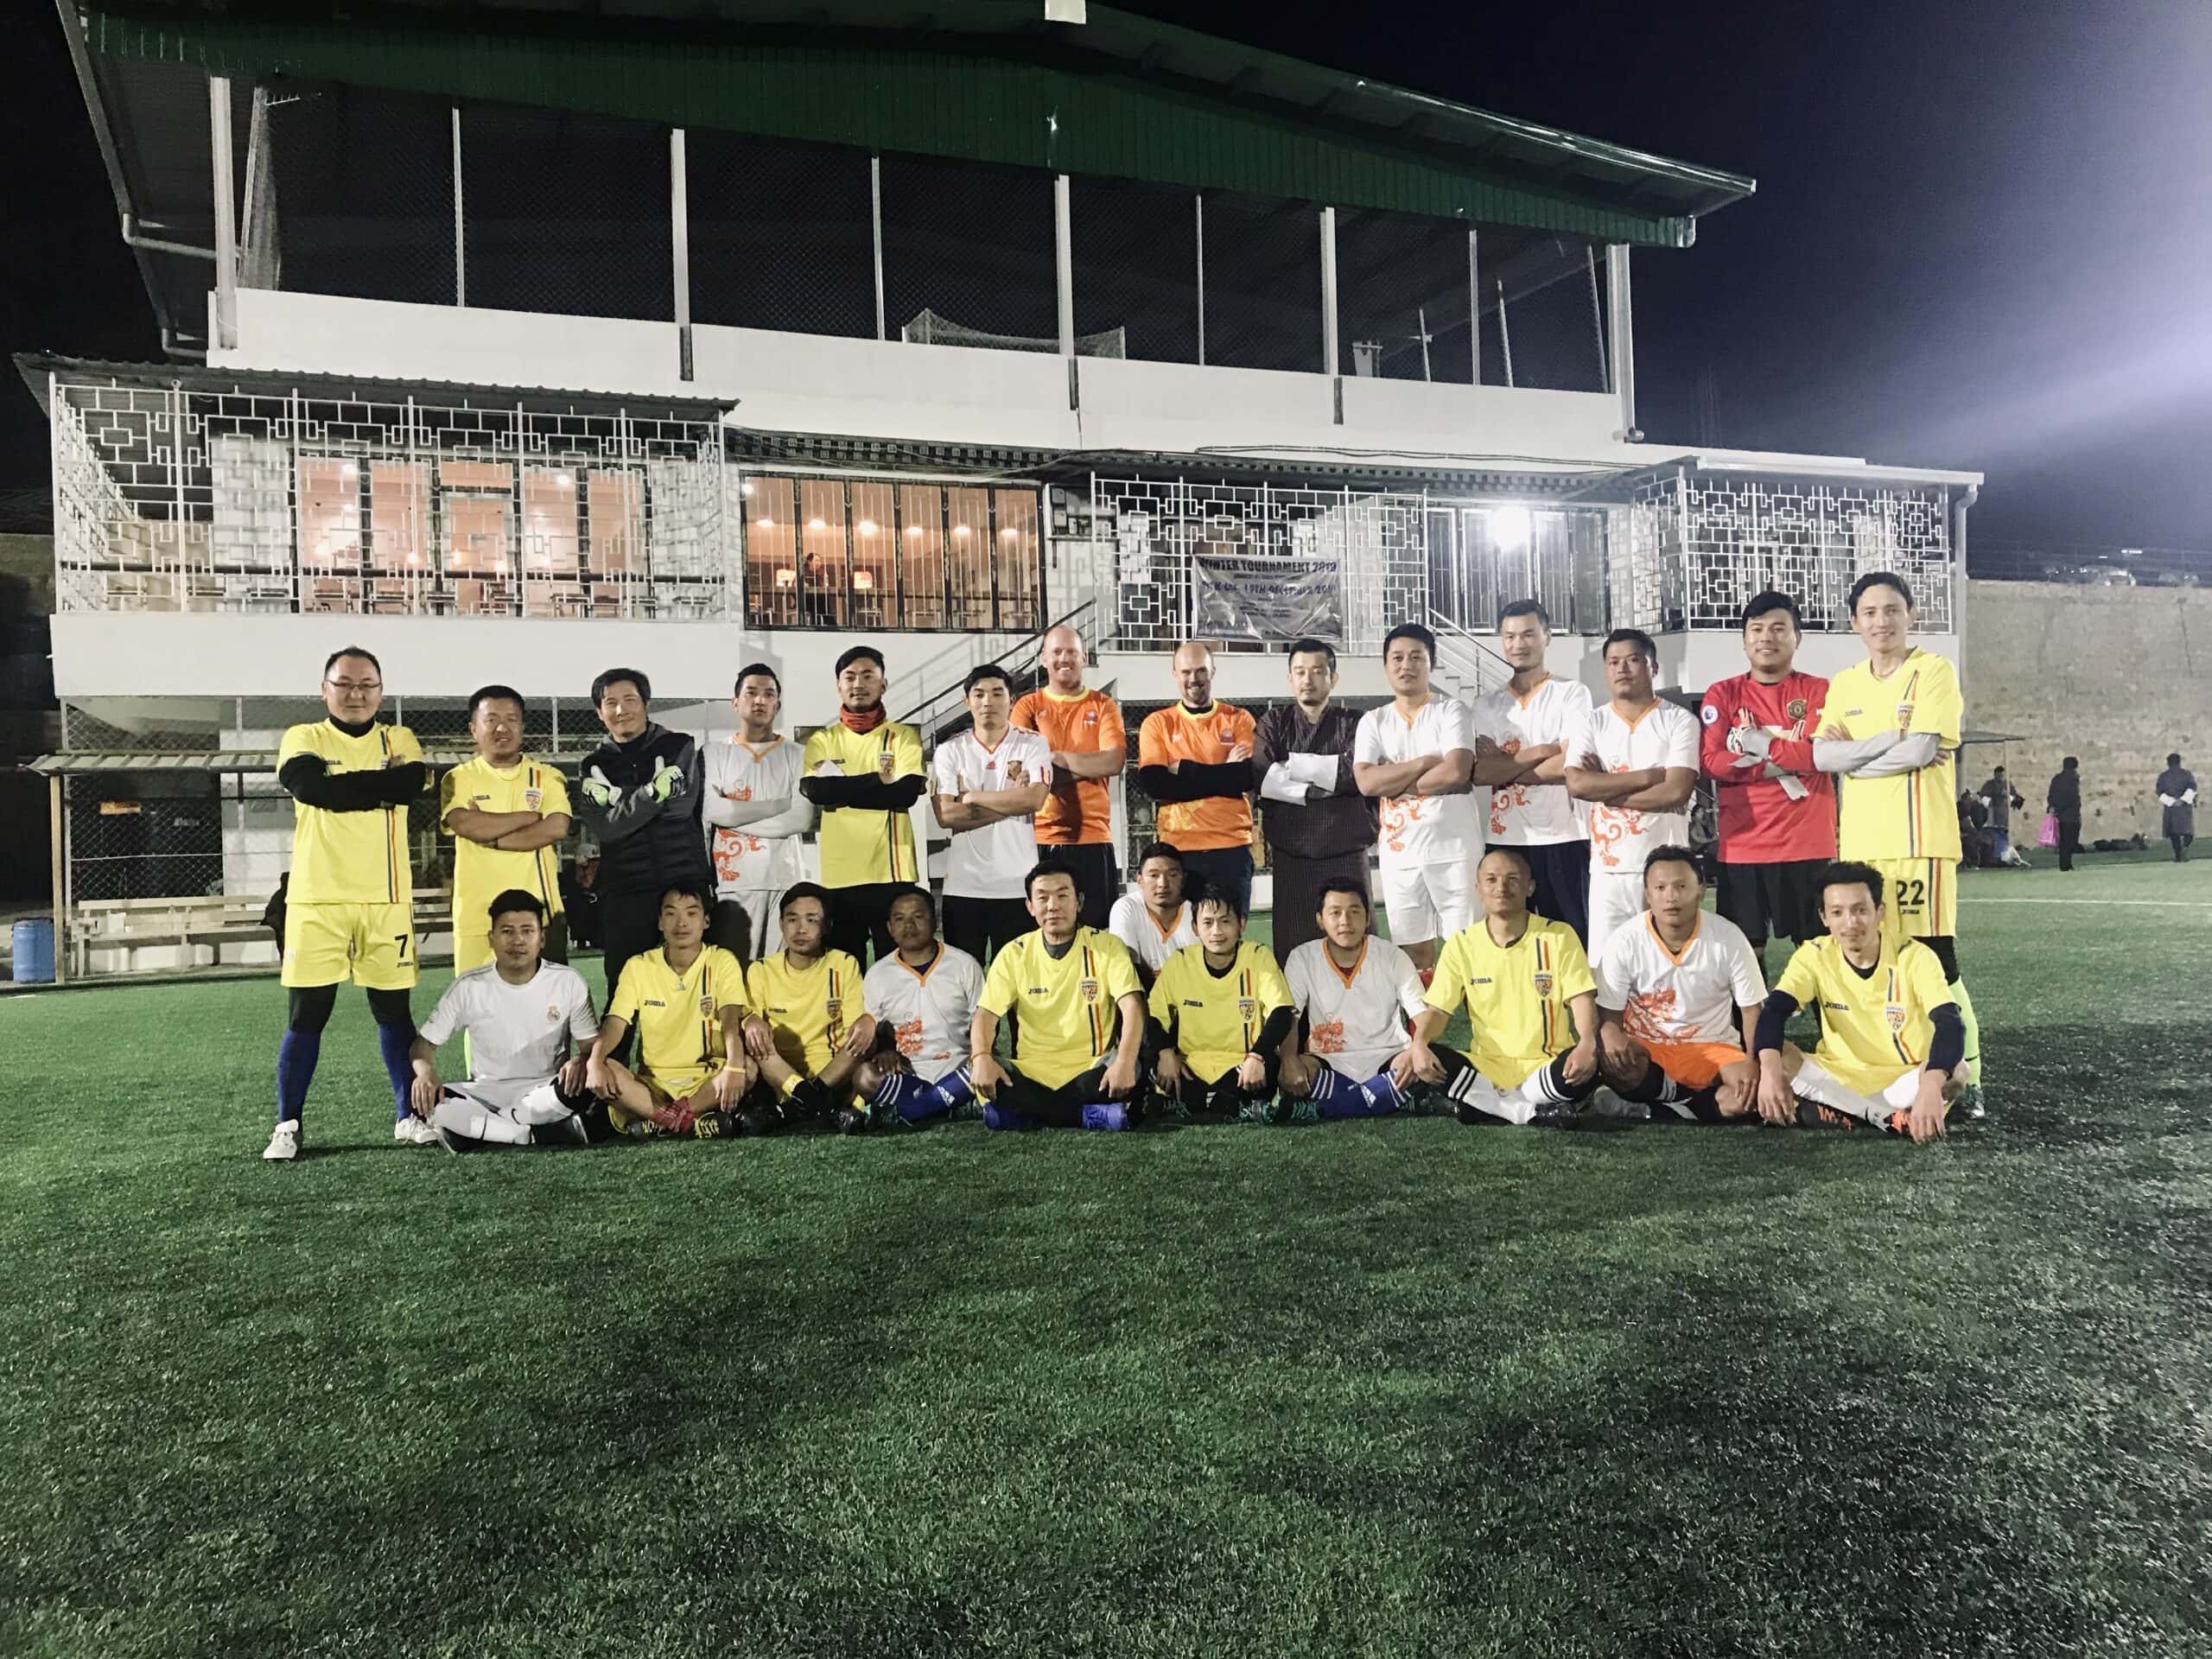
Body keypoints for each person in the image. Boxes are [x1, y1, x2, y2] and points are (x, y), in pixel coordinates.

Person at [1814, 573, 1980, 1111]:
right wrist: (1885, 751)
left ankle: (1968, 1077)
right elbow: (1821, 758)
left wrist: (1856, 758)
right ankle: (1903, 1069)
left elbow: (1921, 751)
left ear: (1910, 615)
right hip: (1861, 847)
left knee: (1936, 961)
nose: (1881, 621)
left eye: (1891, 610)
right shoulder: (1844, 683)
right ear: (1854, 622)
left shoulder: (1932, 671)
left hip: (1920, 841)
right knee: (1875, 960)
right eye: (1869, 612)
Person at [263, 646, 435, 1161]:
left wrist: (355, 788)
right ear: (325, 690)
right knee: (307, 1016)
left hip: (386, 899)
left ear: (381, 691)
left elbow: (411, 783)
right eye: (345, 684)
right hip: (317, 899)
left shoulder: (399, 738)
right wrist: (379, 788)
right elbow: (310, 788)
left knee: (393, 1013)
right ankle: (288, 1124)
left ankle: (408, 1116)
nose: (356, 694)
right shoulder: (304, 737)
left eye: (367, 685)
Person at [1752, 862, 1967, 1143]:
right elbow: (1774, 1011)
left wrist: (1930, 1084)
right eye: (1837, 912)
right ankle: (1884, 1117)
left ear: (1880, 912)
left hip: (1903, 1080)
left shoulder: (1915, 956)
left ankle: (1838, 1111)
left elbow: (1949, 1022)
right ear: (1824, 917)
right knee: (1775, 1053)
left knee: (1958, 1072)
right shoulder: (1814, 954)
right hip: (1839, 1073)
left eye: (1860, 910)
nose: (1850, 922)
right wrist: (1769, 1072)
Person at [1400, 847, 1602, 1126]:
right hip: (1487, 1067)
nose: (1501, 888)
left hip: (1547, 1066)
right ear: (1478, 888)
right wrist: (1419, 1043)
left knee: (1589, 1065)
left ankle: (1487, 1105)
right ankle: (1527, 1111)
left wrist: (1587, 1043)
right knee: (1434, 1058)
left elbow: (1582, 1000)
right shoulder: (1461, 945)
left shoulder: (1558, 936)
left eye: (1513, 879)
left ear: (1530, 887)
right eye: (1491, 880)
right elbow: (1437, 1011)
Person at [1698, 592, 1834, 976]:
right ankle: (1753, 1039)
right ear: (1744, 640)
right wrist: (1780, 758)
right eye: (1756, 629)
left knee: (1818, 952)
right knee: (1745, 955)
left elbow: (1817, 756)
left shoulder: (1819, 691)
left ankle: (1832, 1037)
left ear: (1797, 637)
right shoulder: (1722, 694)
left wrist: (1754, 746)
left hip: (1808, 843)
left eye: (1778, 628)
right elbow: (1711, 763)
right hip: (1743, 846)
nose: (1766, 638)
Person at [406, 890, 597, 1152]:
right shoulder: (469, 986)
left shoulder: (567, 981)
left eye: (527, 931)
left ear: (542, 938)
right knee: (421, 1098)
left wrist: (581, 1060)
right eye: (507, 931)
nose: (517, 940)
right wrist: (425, 1074)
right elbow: (423, 1046)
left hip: (546, 1090)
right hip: (486, 1093)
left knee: (588, 1081)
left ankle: (482, 1132)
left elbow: (591, 1047)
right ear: (491, 939)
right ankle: (534, 1134)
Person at [573, 667, 710, 1026]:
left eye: (630, 700)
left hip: (683, 882)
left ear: (646, 704)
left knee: (695, 984)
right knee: (623, 989)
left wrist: (619, 799)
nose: (621, 710)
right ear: (600, 712)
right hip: (625, 891)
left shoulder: (679, 746)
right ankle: (610, 1075)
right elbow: (606, 827)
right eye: (611, 703)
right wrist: (652, 793)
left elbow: (679, 809)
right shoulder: (592, 764)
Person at [969, 858, 1147, 1131]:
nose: (1053, 906)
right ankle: (1085, 1116)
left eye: (1063, 895)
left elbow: (1132, 1005)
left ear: (1079, 902)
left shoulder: (1106, 946)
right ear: (1030, 906)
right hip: (1032, 1072)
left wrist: (1123, 1061)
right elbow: (986, 1015)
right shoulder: (1013, 953)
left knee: (1132, 1067)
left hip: (1092, 1068)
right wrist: (981, 1057)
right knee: (989, 1072)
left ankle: (1025, 1116)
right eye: (1042, 898)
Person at [1591, 848, 1767, 1123]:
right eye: (1660, 888)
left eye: (1681, 886)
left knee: (1752, 1095)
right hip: (1648, 1047)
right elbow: (1609, 1015)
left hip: (1713, 1047)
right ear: (1647, 894)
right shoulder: (1624, 940)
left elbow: (1751, 1011)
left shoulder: (1728, 936)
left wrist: (1755, 1062)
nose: (1670, 897)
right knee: (1616, 1061)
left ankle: (1669, 1106)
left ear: (1701, 888)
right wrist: (1612, 1041)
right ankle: (1692, 1103)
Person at [1353, 621, 1481, 976]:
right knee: (1413, 958)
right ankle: (1420, 1031)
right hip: (1400, 856)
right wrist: (1426, 763)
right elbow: (1365, 782)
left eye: (1415, 657)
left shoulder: (1451, 711)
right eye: (1397, 658)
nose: (1405, 665)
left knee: (1467, 954)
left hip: (1455, 851)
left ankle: (1484, 1031)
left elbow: (1456, 772)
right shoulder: (1373, 721)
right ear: (1385, 666)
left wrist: (1394, 780)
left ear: (1432, 664)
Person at [1564, 629, 1700, 961]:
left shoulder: (1679, 720)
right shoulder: (1590, 722)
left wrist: (1608, 790)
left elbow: (1676, 792)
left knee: (1667, 963)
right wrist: (1645, 777)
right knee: (1606, 968)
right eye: (1613, 662)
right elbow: (1578, 785)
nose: (1622, 668)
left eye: (1633, 660)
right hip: (1609, 869)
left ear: (1653, 668)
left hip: (1667, 870)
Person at [584, 880, 752, 1139]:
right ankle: (689, 1122)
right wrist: (595, 1062)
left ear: (706, 921)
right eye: (671, 913)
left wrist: (735, 1067)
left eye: (691, 913)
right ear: (660, 922)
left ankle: (661, 1121)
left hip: (706, 1081)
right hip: (653, 1085)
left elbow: (731, 1021)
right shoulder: (638, 966)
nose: (681, 923)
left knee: (748, 1068)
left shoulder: (722, 961)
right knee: (605, 1066)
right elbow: (615, 1023)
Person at [1472, 600, 1594, 944]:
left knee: (1570, 940)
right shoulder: (1487, 704)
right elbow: (1481, 773)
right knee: (1507, 940)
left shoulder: (1571, 694)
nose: (1518, 644)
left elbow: (1571, 765)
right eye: (1509, 636)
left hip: (1563, 837)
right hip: (1506, 838)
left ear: (1547, 636)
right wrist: (1543, 751)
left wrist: (1506, 766)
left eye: (1528, 634)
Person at [799, 645, 926, 965]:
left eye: (868, 675)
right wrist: (877, 781)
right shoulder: (823, 740)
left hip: (892, 874)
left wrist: (841, 789)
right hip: (839, 878)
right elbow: (814, 790)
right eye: (850, 676)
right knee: (844, 971)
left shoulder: (903, 737)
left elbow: (905, 794)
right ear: (839, 686)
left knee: (898, 969)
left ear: (883, 685)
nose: (858, 683)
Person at [1252, 638, 1376, 960]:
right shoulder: (1273, 723)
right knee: (1295, 952)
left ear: (1333, 678)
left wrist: (1293, 768)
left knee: (1358, 947)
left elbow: (1358, 774)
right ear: (1290, 678)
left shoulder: (1355, 723)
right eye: (1300, 671)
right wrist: (1324, 784)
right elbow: (1264, 777)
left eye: (1317, 671)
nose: (1308, 679)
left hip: (1346, 851)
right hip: (1293, 856)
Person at [440, 684, 572, 975]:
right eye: (491, 720)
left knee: (547, 1011)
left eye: (512, 719)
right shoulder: (458, 777)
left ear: (522, 727)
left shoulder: (547, 776)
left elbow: (556, 827)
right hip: (477, 917)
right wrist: (529, 816)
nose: (502, 727)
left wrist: (494, 838)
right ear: (474, 728)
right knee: (478, 1012)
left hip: (540, 916)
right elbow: (464, 823)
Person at [1274, 880, 1430, 1123]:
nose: (1345, 921)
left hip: (1389, 1059)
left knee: (1419, 1062)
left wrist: (1419, 1048)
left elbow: (1422, 1015)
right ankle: (1388, 1098)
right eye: (1335, 913)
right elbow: (1289, 1017)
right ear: (1320, 920)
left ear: (1368, 918)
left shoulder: (1392, 956)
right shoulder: (1302, 957)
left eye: (1354, 912)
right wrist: (1288, 1059)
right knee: (1291, 1068)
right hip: (1328, 1061)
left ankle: (1326, 1108)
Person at [931, 664, 1054, 961]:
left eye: (998, 693)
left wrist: (973, 797)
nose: (988, 702)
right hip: (964, 887)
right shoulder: (950, 750)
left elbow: (1035, 799)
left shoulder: (1032, 743)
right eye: (979, 694)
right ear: (966, 701)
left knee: (1018, 986)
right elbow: (946, 815)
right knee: (964, 984)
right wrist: (1012, 800)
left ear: (1011, 700)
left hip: (1016, 886)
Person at [1011, 625, 1127, 931]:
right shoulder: (1028, 706)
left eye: (1072, 652)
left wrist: (1053, 761)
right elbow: (1021, 771)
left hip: (1093, 838)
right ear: (1043, 659)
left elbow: (1114, 760)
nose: (1065, 658)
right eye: (1057, 652)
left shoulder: (1103, 705)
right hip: (1040, 840)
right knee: (1043, 938)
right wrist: (1088, 766)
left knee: (1097, 936)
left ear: (1084, 658)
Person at [740, 881, 879, 1135]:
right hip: (781, 1074)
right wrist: (750, 1021)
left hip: (832, 1073)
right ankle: (819, 1105)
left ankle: (799, 1106)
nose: (801, 928)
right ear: (781, 924)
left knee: (863, 1036)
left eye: (812, 920)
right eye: (792, 919)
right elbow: (748, 1018)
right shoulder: (761, 969)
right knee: (755, 1036)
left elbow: (854, 1033)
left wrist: (866, 1023)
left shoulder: (843, 964)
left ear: (827, 926)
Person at [1148, 886, 1295, 1120]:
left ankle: (1196, 1106)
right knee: (1150, 1058)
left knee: (1269, 1065)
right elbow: (1153, 1016)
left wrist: (1256, 1057)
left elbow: (1282, 1012)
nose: (1217, 931)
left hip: (1243, 1064)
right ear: (1195, 928)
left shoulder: (1258, 956)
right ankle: (1225, 1106)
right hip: (1191, 1065)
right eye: (1207, 923)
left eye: (1225, 921)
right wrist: (1166, 1053)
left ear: (1242, 924)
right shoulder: (1181, 962)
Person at [1135, 642, 1257, 916]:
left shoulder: (1238, 719)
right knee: (1183, 942)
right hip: (1179, 849)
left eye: (1201, 671)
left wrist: (1186, 770)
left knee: (1228, 935)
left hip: (1231, 847)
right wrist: (1224, 772)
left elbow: (1246, 777)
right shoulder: (1158, 723)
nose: (1194, 679)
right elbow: (1155, 784)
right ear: (1175, 673)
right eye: (1186, 671)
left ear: (1213, 672)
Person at [702, 663, 815, 962]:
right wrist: (780, 805)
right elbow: (713, 809)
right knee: (734, 975)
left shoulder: (798, 754)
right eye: (751, 693)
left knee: (779, 974)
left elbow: (801, 819)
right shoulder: (714, 752)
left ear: (777, 704)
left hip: (785, 879)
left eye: (769, 694)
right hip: (732, 883)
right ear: (735, 702)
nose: (760, 700)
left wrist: (735, 816)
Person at [854, 887, 984, 1126]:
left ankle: (913, 1109)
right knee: (864, 1077)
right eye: (899, 919)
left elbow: (984, 1021)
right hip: (908, 1073)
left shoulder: (964, 964)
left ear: (935, 921)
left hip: (958, 1067)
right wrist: (885, 1049)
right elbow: (876, 1029)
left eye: (918, 916)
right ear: (889, 928)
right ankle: (953, 1104)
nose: (909, 925)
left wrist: (979, 1054)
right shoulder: (877, 974)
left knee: (991, 1065)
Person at [1108, 840, 1200, 988]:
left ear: (1183, 879)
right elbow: (1127, 971)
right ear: (1139, 880)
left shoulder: (1196, 912)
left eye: (1172, 875)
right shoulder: (1126, 908)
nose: (1163, 883)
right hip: (1144, 998)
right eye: (1154, 875)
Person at [1979, 765, 2027, 867]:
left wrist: (2010, 798)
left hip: (2005, 813)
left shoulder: (2008, 784)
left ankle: (2005, 854)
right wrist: (1989, 802)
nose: (2001, 776)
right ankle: (1997, 856)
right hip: (1993, 812)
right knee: (1996, 833)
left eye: (2002, 774)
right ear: (1995, 774)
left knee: (2004, 833)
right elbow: (1983, 796)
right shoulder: (1990, 784)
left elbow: (2014, 796)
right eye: (1999, 774)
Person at [2157, 753, 2196, 862]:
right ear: (2179, 762)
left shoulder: (2163, 776)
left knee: (2174, 833)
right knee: (2188, 831)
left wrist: (2172, 802)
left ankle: (2178, 854)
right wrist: (2182, 800)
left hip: (2171, 808)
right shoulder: (2187, 774)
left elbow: (2160, 792)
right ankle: (2185, 847)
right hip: (2184, 806)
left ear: (2168, 763)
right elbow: (2192, 788)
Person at [2046, 757, 2083, 872]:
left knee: (2064, 841)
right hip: (2071, 814)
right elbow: (2072, 797)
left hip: (2061, 815)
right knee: (2070, 840)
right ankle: (2066, 864)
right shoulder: (2073, 778)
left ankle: (2065, 864)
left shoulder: (2057, 779)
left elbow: (2051, 794)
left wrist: (2053, 807)